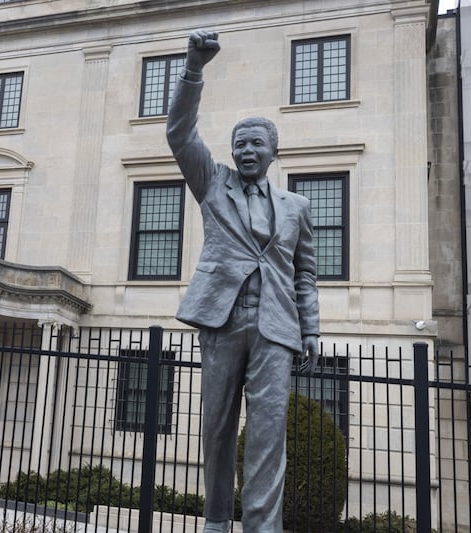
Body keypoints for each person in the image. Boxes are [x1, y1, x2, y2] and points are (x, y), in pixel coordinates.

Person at [166, 30, 320, 533]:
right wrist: (194, 69)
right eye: (239, 143)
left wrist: (311, 330)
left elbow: (305, 275)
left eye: (256, 143)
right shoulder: (213, 183)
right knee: (216, 427)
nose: (246, 150)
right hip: (223, 320)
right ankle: (215, 520)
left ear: (273, 151)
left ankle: (260, 528)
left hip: (276, 328)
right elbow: (180, 134)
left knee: (268, 435)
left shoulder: (296, 207)